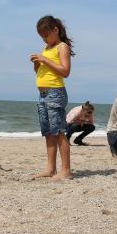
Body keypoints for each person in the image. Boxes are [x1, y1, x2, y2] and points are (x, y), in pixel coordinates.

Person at [29, 15, 74, 181]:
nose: (44, 39)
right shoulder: (46, 48)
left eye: (46, 35)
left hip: (55, 92)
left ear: (56, 30)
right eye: (42, 36)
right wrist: (37, 64)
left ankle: (66, 170)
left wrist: (45, 60)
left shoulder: (62, 47)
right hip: (43, 94)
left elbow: (65, 71)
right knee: (48, 132)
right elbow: (42, 72)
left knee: (59, 130)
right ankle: (50, 168)